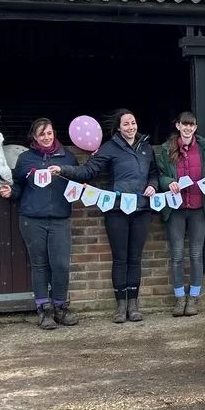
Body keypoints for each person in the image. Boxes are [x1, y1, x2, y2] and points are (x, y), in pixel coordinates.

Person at [50, 108, 159, 324]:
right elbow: (87, 171)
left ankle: (133, 305)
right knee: (120, 259)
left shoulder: (146, 148)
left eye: (133, 122)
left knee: (135, 259)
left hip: (142, 209)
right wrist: (63, 170)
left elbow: (154, 173)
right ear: (118, 127)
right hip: (116, 210)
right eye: (126, 124)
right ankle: (120, 306)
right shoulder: (109, 148)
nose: (131, 127)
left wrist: (153, 186)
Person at [0, 118, 81, 329]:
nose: (47, 137)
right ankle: (44, 309)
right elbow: (18, 185)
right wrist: (11, 192)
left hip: (60, 219)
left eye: (50, 133)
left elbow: (80, 179)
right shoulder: (26, 159)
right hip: (32, 219)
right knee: (40, 265)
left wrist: (65, 171)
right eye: (42, 134)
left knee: (61, 265)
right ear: (34, 137)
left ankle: (61, 307)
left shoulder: (67, 157)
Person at [157, 111, 205, 318]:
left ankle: (193, 298)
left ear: (195, 127)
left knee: (195, 255)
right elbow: (161, 175)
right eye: (185, 124)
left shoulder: (203, 148)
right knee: (176, 255)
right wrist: (168, 183)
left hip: (199, 208)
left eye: (191, 125)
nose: (188, 128)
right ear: (178, 125)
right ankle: (179, 298)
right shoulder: (167, 149)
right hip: (175, 209)